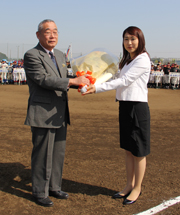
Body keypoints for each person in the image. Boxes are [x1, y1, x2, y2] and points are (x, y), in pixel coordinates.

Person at [24, 19, 90, 207]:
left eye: (55, 31)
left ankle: (54, 186)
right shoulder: (32, 54)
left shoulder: (60, 55)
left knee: (58, 152)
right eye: (47, 31)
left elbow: (63, 78)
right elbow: (43, 79)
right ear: (38, 35)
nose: (52, 35)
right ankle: (39, 191)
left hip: (60, 112)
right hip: (43, 112)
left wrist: (81, 81)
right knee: (42, 153)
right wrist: (72, 81)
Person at [83, 26, 151, 205]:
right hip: (125, 106)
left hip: (137, 108)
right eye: (126, 39)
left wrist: (97, 88)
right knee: (129, 150)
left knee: (139, 151)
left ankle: (137, 188)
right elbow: (115, 78)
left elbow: (125, 81)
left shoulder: (142, 59)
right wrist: (92, 80)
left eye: (133, 39)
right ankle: (129, 185)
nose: (129, 43)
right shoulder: (127, 60)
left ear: (140, 40)